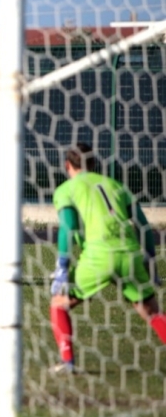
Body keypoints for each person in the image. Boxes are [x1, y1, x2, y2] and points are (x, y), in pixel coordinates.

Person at [49, 143, 165, 374]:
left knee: (58, 303)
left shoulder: (67, 189)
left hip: (98, 257)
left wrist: (62, 265)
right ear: (93, 164)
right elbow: (143, 225)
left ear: (68, 165)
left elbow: (68, 226)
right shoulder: (116, 185)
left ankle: (68, 361)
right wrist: (150, 261)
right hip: (130, 254)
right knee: (152, 312)